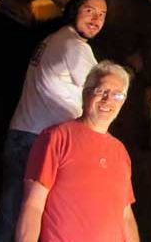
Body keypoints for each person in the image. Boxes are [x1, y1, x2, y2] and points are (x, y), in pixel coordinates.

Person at [0, 0, 108, 242]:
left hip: (24, 135)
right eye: (90, 11)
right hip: (37, 142)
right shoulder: (74, 46)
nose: (96, 19)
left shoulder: (54, 39)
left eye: (102, 14)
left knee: (13, 216)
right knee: (26, 220)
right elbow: (101, 90)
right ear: (74, 11)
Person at [16, 60, 140, 242]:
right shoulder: (55, 138)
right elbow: (33, 206)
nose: (108, 99)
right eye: (101, 91)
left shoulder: (120, 152)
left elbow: (126, 215)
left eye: (117, 95)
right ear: (85, 93)